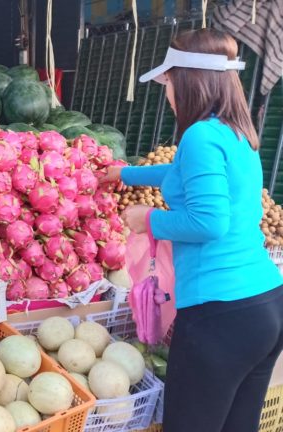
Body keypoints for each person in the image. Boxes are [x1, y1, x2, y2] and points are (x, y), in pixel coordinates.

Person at [103, 29, 283, 432]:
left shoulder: (200, 134)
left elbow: (209, 222)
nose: (167, 93)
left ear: (188, 82)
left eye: (168, 82)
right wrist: (125, 174)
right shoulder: (236, 131)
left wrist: (147, 218)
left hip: (221, 315)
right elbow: (188, 174)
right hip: (265, 304)